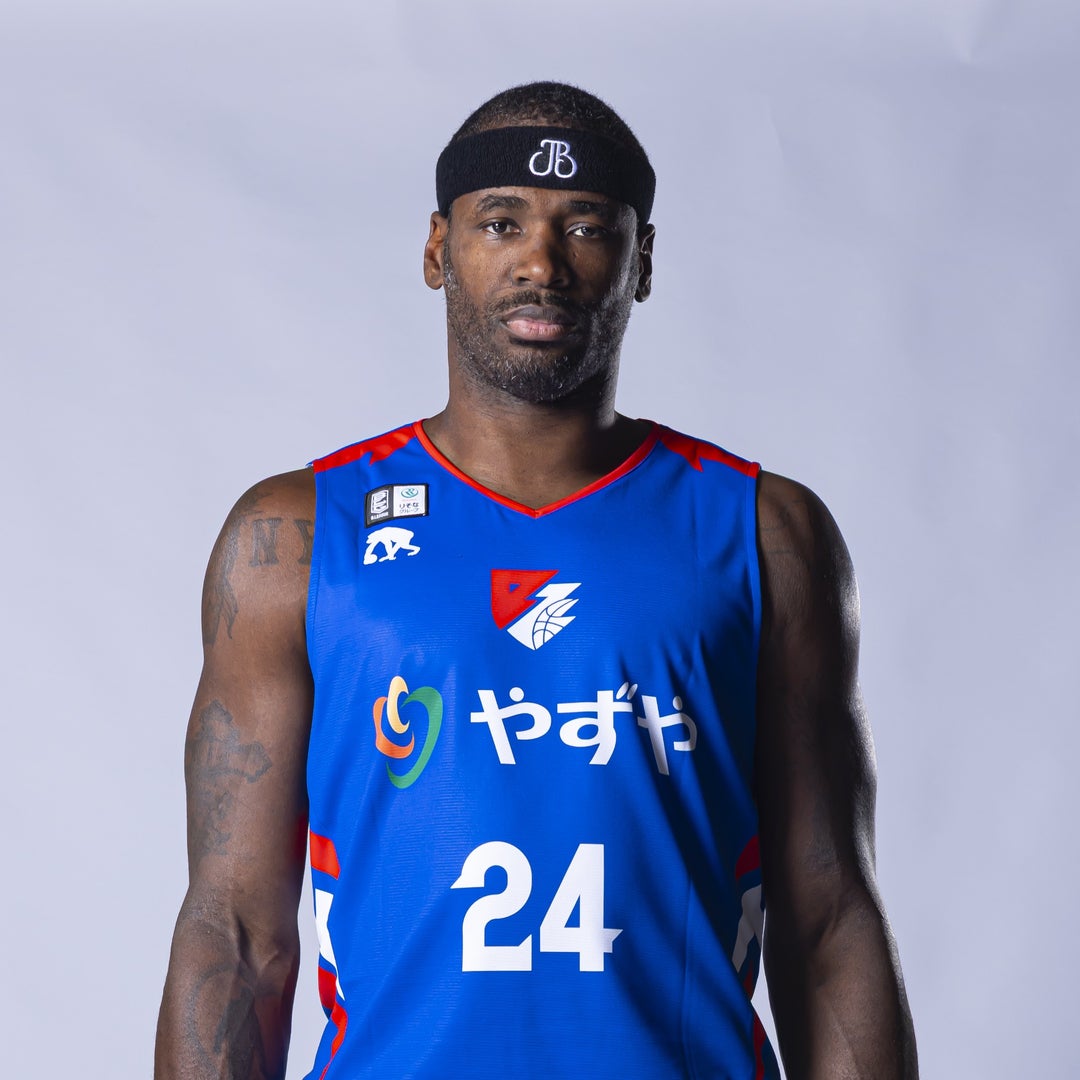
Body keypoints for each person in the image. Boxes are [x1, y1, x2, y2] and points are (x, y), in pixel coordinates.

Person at [155, 81, 918, 1079]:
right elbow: (235, 934)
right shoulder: (296, 538)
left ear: (643, 262)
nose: (542, 264)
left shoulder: (762, 532)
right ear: (438, 248)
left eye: (586, 227)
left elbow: (828, 921)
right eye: (501, 222)